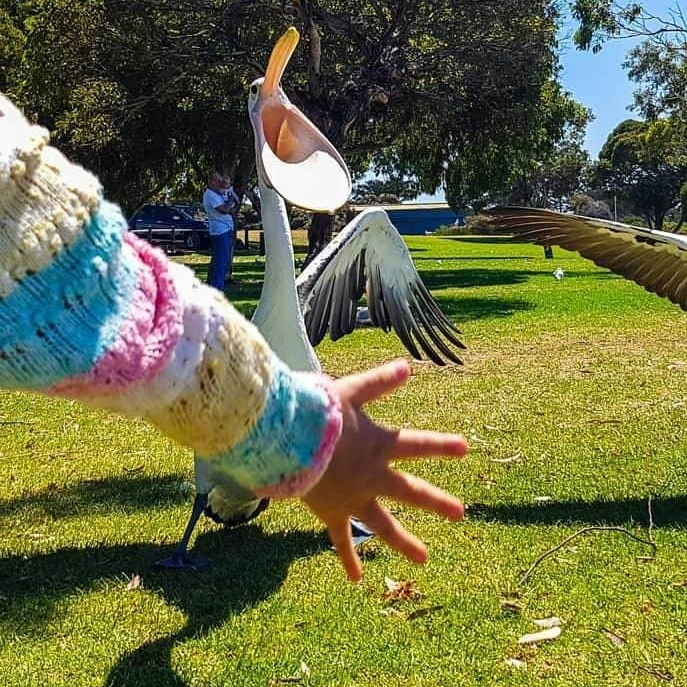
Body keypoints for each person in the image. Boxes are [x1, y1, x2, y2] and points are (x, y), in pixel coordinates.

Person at [0, 93, 467, 580]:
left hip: (264, 462)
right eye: (258, 101)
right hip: (224, 490)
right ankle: (186, 544)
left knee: (377, 224)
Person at [203, 171, 238, 290]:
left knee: (225, 261)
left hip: (227, 229)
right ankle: (217, 288)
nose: (222, 183)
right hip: (220, 232)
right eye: (219, 181)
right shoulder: (210, 195)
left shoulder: (218, 194)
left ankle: (219, 286)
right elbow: (224, 210)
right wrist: (231, 199)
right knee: (220, 262)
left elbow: (232, 210)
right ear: (213, 182)